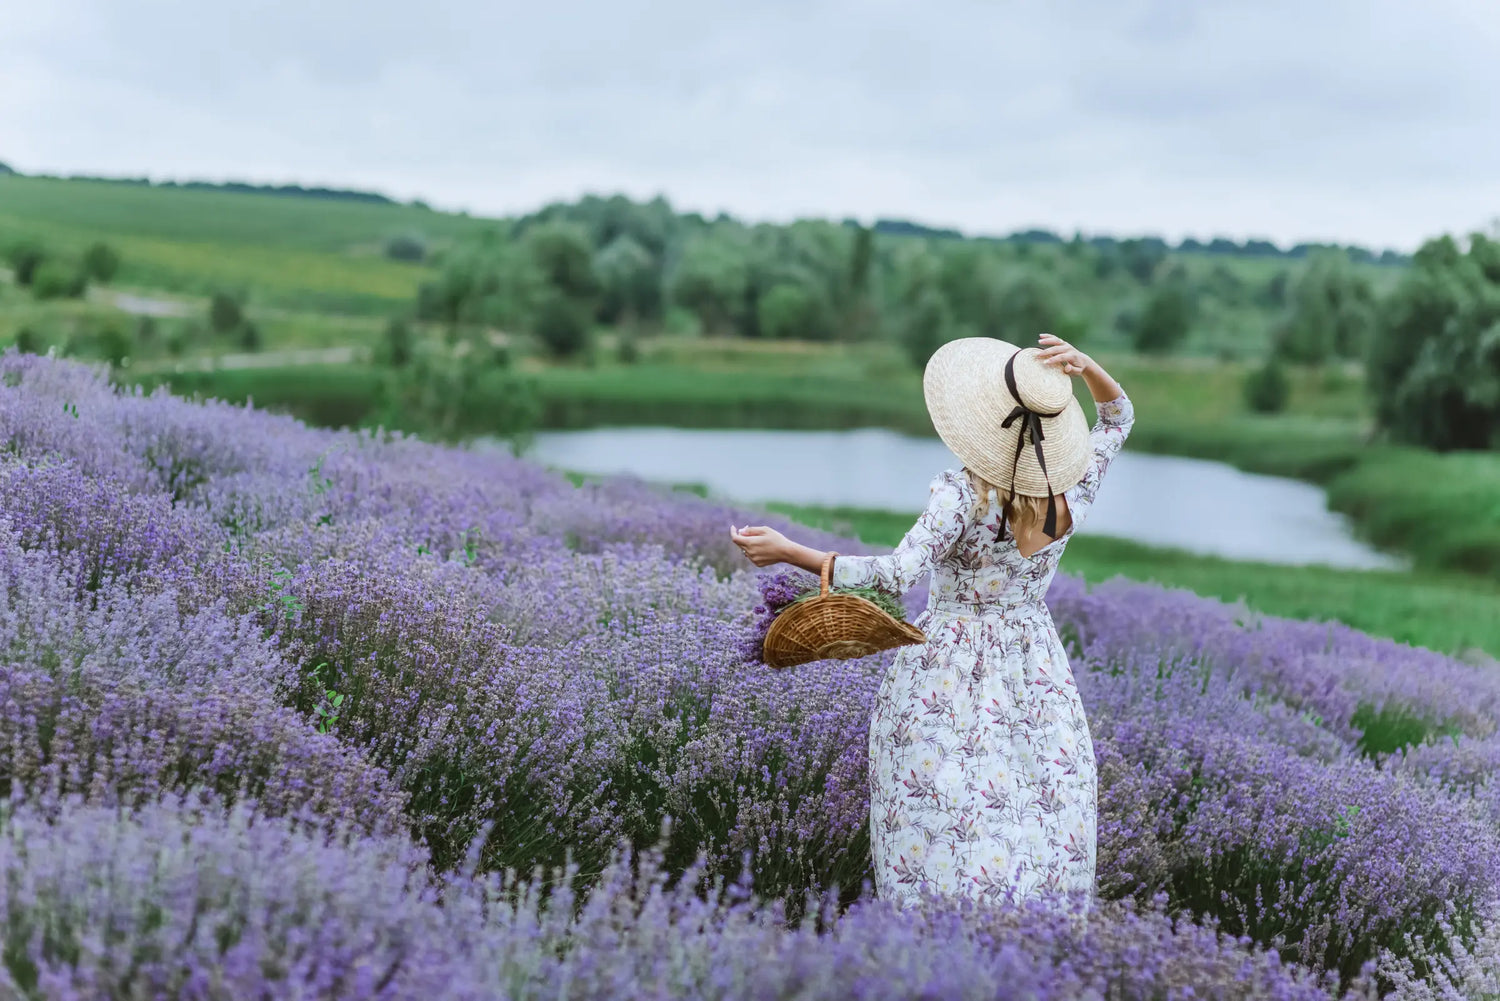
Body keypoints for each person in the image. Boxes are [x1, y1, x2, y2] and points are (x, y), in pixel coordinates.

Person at [730, 332, 1133, 908]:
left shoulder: (961, 498)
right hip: (1033, 662)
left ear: (983, 419)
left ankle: (939, 932)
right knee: (1038, 794)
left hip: (950, 665)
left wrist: (792, 551)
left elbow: (896, 576)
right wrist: (1089, 367)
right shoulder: (1068, 489)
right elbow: (1118, 419)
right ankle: (1035, 929)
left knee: (944, 803)